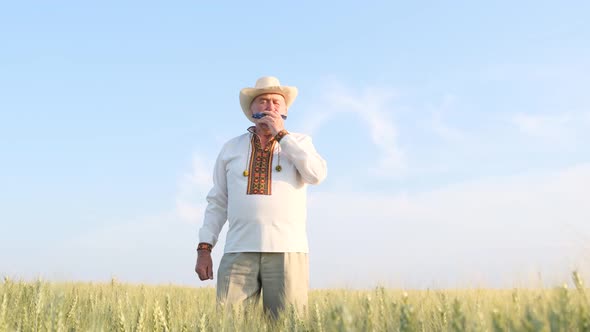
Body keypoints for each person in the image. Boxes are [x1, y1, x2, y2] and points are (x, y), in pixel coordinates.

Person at [194, 76, 327, 317]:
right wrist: (205, 248)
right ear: (251, 110)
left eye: (277, 102)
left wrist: (283, 136)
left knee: (289, 323)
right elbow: (218, 201)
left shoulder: (300, 143)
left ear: (285, 110)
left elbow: (316, 175)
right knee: (229, 323)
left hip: (288, 250)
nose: (270, 106)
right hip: (238, 250)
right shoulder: (231, 148)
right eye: (263, 101)